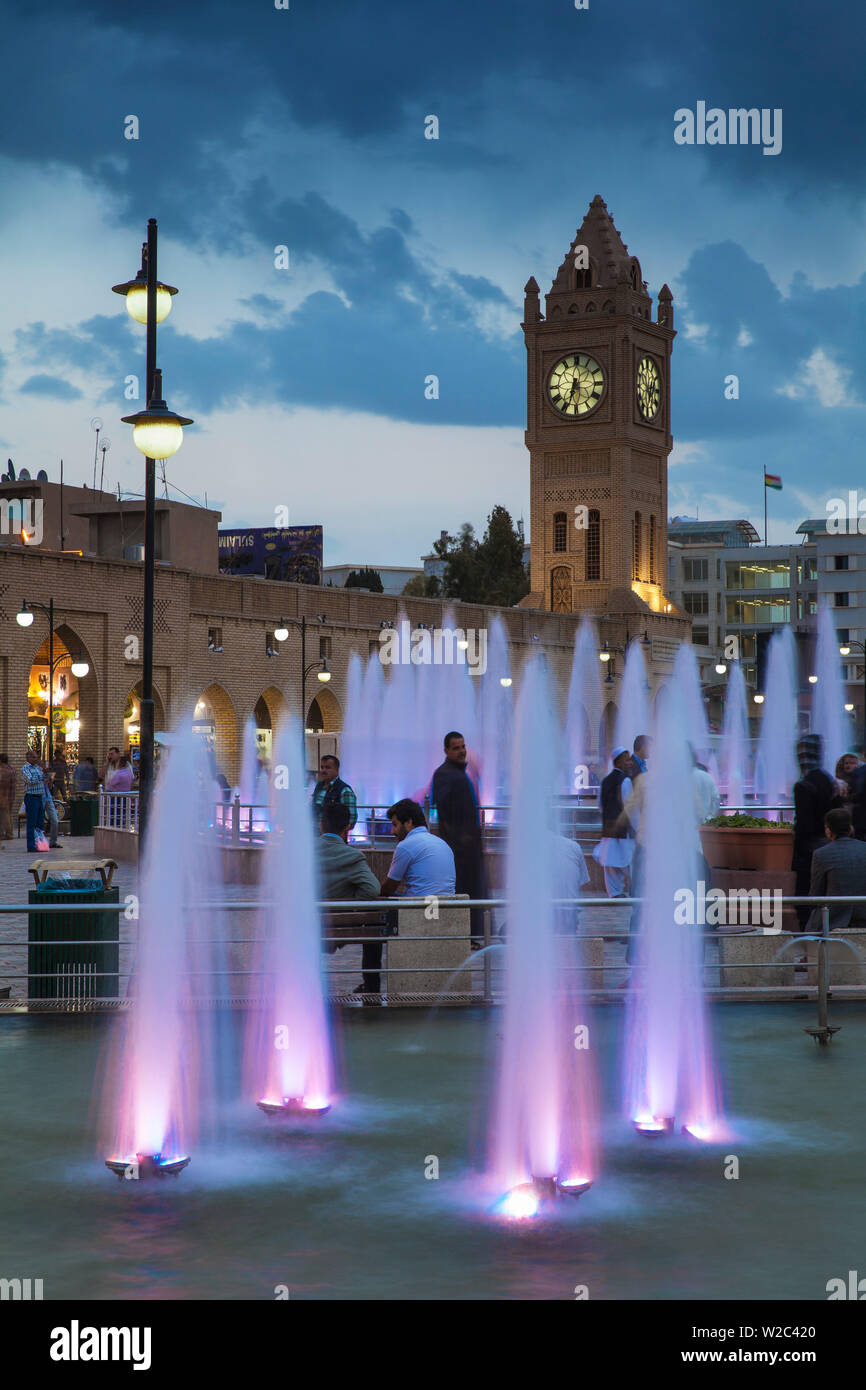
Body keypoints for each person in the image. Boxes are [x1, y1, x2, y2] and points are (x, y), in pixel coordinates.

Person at [317, 802, 382, 998]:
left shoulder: (302, 851)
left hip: (306, 926)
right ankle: (371, 987)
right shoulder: (352, 856)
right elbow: (372, 890)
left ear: (321, 825)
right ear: (347, 828)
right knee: (375, 926)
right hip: (341, 927)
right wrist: (351, 901)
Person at [430, 732, 485, 947]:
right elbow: (445, 813)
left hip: (465, 847)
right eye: (456, 748)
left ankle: (470, 935)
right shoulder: (446, 774)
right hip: (460, 850)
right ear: (446, 751)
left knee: (469, 890)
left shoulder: (457, 774)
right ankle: (465, 936)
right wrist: (461, 838)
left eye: (463, 746)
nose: (461, 751)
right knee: (463, 891)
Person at [792, 735, 840, 930]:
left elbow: (804, 826)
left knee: (805, 897)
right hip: (830, 846)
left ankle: (807, 941)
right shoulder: (829, 780)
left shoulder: (804, 785)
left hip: (809, 853)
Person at [381, 799, 456, 898]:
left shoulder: (406, 845)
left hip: (419, 909)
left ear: (408, 822)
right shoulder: (443, 844)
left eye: (395, 825)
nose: (392, 831)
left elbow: (389, 888)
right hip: (448, 908)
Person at [807, 808, 866, 933]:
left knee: (813, 921)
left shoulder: (821, 854)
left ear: (828, 830)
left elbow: (815, 895)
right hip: (863, 915)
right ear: (850, 828)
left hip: (834, 920)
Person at [593, 747, 635, 898]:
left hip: (608, 829)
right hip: (623, 830)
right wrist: (635, 827)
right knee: (629, 862)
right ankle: (634, 891)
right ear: (619, 762)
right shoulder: (625, 781)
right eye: (627, 760)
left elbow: (601, 806)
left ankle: (615, 893)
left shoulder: (605, 781)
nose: (630, 763)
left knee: (610, 863)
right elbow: (629, 807)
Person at [311, 754, 357, 830]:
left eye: (327, 767)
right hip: (315, 837)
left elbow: (351, 820)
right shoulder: (318, 787)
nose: (323, 770)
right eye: (322, 767)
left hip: (332, 838)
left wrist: (336, 833)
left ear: (337, 770)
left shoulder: (344, 790)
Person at [21, 749, 51, 851]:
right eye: (33, 757)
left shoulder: (38, 768)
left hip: (40, 797)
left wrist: (46, 774)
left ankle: (39, 843)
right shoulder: (25, 768)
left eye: (36, 757)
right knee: (32, 822)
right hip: (31, 797)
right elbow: (30, 781)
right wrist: (41, 775)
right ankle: (31, 846)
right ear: (28, 758)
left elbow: (45, 779)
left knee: (39, 822)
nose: (36, 759)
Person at [0, 755, 16, 840]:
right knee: (8, 814)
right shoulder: (12, 769)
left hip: (3, 796)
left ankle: (8, 834)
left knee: (5, 815)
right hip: (11, 795)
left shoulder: (3, 771)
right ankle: (8, 833)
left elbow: (2, 784)